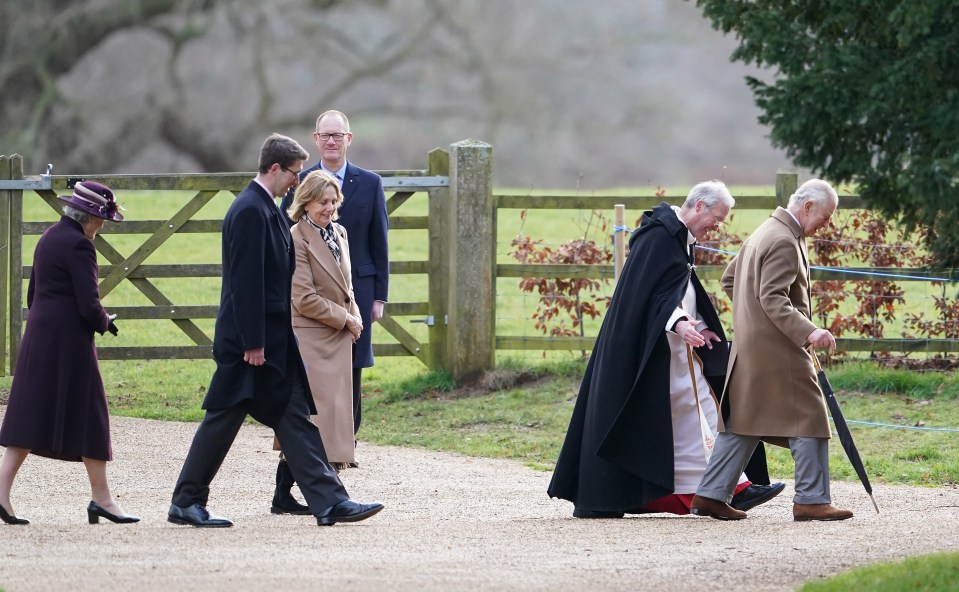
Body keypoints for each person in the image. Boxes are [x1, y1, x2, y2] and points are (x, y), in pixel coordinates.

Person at [168, 133, 383, 528]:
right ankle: (186, 501)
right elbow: (246, 282)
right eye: (294, 174)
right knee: (222, 420)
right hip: (251, 345)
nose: (297, 183)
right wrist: (253, 342)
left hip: (270, 342)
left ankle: (330, 501)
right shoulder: (250, 210)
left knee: (295, 417)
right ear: (274, 168)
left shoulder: (266, 208)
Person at [548, 180, 783, 518]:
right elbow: (642, 295)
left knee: (701, 409)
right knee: (687, 416)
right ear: (699, 206)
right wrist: (677, 323)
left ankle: (726, 488)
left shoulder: (678, 238)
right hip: (652, 354)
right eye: (716, 218)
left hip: (677, 352)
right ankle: (715, 491)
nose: (717, 227)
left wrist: (698, 323)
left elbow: (674, 290)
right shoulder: (657, 236)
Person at [691, 178, 853, 522]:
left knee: (743, 421)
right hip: (780, 351)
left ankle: (710, 495)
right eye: (825, 217)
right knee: (810, 416)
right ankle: (811, 499)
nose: (826, 224)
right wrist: (810, 332)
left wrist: (750, 325)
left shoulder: (766, 230)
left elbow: (730, 279)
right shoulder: (783, 240)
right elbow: (773, 297)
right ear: (808, 207)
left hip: (751, 349)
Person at [0, 181, 139, 526]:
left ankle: (0, 493)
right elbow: (89, 305)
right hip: (69, 342)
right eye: (102, 219)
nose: (103, 225)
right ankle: (102, 500)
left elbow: (34, 294)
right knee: (92, 415)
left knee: (28, 414)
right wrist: (106, 322)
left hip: (39, 335)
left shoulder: (48, 237)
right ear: (90, 217)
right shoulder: (80, 245)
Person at [279, 110, 388, 445]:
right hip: (312, 290)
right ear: (315, 140)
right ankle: (316, 440)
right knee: (316, 369)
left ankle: (347, 435)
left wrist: (379, 297)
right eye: (325, 135)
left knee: (353, 364)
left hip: (358, 290)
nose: (331, 141)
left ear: (348, 140)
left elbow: (378, 241)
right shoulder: (302, 181)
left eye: (337, 135)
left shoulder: (370, 183)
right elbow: (287, 235)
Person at [269, 170, 363, 513]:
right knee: (313, 420)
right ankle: (330, 495)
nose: (330, 207)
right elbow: (303, 298)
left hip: (338, 337)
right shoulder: (296, 237)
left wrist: (355, 314)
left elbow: (346, 285)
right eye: (323, 201)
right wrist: (347, 318)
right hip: (310, 337)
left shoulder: (339, 232)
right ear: (305, 201)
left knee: (330, 418)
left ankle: (286, 495)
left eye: (334, 200)